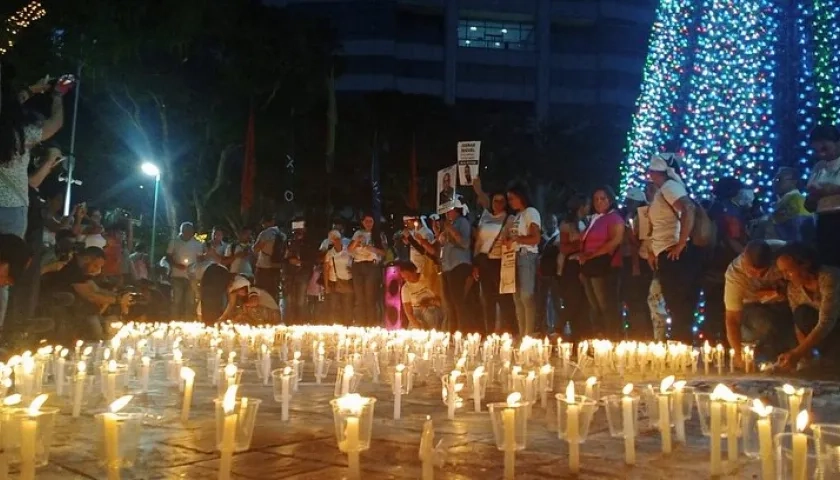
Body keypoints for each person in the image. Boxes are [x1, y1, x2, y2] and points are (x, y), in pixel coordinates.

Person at [0, 64, 65, 328]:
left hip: (13, 209)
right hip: (12, 210)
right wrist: (57, 96)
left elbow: (9, 104)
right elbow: (55, 124)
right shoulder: (20, 135)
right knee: (3, 275)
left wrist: (30, 90)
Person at [646, 153, 701, 342]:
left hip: (675, 254)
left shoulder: (670, 187)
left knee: (679, 304)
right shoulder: (664, 189)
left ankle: (682, 343)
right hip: (666, 251)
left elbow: (688, 208)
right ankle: (681, 342)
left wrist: (681, 243)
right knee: (675, 304)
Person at [723, 240, 793, 366]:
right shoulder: (735, 274)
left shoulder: (785, 254)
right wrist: (738, 354)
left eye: (762, 272)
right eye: (751, 272)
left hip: (787, 302)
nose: (757, 276)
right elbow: (732, 318)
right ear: (744, 258)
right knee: (763, 323)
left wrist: (781, 292)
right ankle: (766, 358)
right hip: (752, 307)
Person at [41, 247, 133, 339]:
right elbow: (90, 296)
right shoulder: (72, 268)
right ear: (86, 259)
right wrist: (118, 300)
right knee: (97, 333)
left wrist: (119, 296)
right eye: (95, 266)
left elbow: (96, 289)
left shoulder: (80, 268)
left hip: (77, 309)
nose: (96, 270)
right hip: (62, 307)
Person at [775, 243, 840, 369]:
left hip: (834, 325)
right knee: (802, 313)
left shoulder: (828, 278)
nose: (785, 277)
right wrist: (804, 354)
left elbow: (827, 321)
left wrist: (797, 353)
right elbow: (798, 324)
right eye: (782, 272)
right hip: (827, 330)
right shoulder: (793, 288)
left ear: (805, 264)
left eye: (788, 271)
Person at [703, 177, 750, 343]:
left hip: (713, 264)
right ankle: (725, 343)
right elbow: (730, 237)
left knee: (713, 307)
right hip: (725, 263)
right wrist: (746, 255)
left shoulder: (715, 207)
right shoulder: (729, 210)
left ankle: (713, 343)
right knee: (726, 306)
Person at [579, 186, 625, 338]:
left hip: (604, 266)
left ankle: (611, 336)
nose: (599, 202)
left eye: (602, 198)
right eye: (596, 199)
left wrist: (592, 255)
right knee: (594, 305)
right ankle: (599, 335)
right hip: (590, 265)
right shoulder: (595, 218)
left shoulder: (614, 218)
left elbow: (615, 241)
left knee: (606, 304)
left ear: (610, 200)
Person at [472, 177, 515, 333]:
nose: (498, 204)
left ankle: (509, 331)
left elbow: (512, 239)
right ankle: (490, 331)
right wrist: (475, 264)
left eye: (502, 201)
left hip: (500, 262)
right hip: (484, 262)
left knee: (503, 299)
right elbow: (478, 242)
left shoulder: (509, 219)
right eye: (495, 201)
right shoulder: (485, 216)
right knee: (487, 299)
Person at [505, 183, 541, 337]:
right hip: (514, 256)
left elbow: (535, 238)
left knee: (526, 296)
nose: (510, 202)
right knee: (517, 298)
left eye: (512, 198)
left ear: (521, 197)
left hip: (526, 255)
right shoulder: (517, 216)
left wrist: (517, 239)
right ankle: (522, 333)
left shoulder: (531, 212)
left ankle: (529, 334)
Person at [622, 186, 654, 339]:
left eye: (630, 202)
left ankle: (642, 334)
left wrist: (629, 235)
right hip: (632, 261)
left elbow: (641, 241)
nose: (627, 205)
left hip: (641, 262)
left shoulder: (644, 215)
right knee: (633, 300)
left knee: (639, 299)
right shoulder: (632, 216)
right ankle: (637, 332)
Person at [806, 125, 840, 267]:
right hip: (823, 222)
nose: (821, 154)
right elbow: (809, 205)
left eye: (825, 148)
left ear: (837, 142)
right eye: (816, 151)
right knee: (827, 266)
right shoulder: (818, 167)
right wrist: (812, 198)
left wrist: (830, 190)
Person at [558, 193, 591, 341]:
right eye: (587, 205)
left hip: (585, 263)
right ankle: (559, 329)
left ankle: (580, 335)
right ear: (581, 206)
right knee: (573, 300)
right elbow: (563, 247)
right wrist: (581, 245)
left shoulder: (587, 221)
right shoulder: (568, 224)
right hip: (572, 264)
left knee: (583, 302)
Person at [437, 199, 473, 332]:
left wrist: (450, 229)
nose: (447, 213)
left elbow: (464, 243)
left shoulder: (462, 222)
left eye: (449, 210)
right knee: (450, 302)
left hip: (458, 265)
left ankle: (463, 330)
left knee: (458, 301)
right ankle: (453, 331)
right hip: (447, 266)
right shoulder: (450, 225)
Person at [349, 213, 387, 326]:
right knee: (359, 297)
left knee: (370, 296)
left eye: (371, 221)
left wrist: (373, 249)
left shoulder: (379, 234)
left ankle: (371, 323)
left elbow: (384, 252)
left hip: (371, 266)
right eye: (366, 221)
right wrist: (356, 241)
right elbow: (349, 249)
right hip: (358, 265)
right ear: (362, 222)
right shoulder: (358, 233)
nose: (368, 223)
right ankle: (361, 322)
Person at [166, 222, 205, 320]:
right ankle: (174, 320)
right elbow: (168, 256)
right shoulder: (174, 242)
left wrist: (195, 268)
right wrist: (177, 265)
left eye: (190, 231)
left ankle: (188, 321)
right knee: (176, 301)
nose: (188, 233)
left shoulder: (197, 244)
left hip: (192, 277)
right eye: (186, 231)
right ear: (181, 231)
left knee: (190, 301)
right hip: (176, 276)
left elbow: (200, 259)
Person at [284, 219, 316, 324]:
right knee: (289, 300)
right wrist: (287, 259)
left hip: (303, 273)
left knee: (300, 300)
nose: (297, 233)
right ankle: (289, 323)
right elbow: (282, 257)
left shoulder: (309, 243)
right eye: (295, 231)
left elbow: (312, 259)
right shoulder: (288, 242)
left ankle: (300, 322)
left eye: (299, 230)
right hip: (290, 274)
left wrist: (300, 262)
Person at [769, 167, 813, 243]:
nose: (775, 182)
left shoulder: (797, 200)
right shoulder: (782, 202)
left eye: (779, 179)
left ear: (793, 182)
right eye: (774, 179)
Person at [397, 260, 443, 329]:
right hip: (416, 310)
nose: (407, 279)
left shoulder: (426, 277)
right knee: (413, 330)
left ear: (414, 271)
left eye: (409, 276)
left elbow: (439, 297)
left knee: (430, 315)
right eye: (404, 278)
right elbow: (408, 312)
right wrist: (416, 324)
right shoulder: (405, 288)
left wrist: (429, 302)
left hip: (432, 307)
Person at [537, 213, 562, 335]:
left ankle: (558, 327)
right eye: (548, 222)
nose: (551, 225)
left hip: (555, 273)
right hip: (543, 273)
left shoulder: (559, 238)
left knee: (556, 301)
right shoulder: (541, 239)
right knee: (543, 302)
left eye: (553, 222)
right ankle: (544, 327)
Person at [323, 229, 353, 325]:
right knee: (333, 306)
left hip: (347, 281)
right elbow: (326, 270)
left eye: (338, 238)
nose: (336, 241)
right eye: (334, 239)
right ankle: (333, 325)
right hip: (333, 282)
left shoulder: (348, 250)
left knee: (347, 306)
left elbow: (354, 262)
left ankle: (347, 324)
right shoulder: (329, 254)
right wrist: (326, 286)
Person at [253, 214, 284, 302]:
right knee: (274, 292)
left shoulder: (265, 233)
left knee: (260, 291)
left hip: (263, 267)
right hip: (277, 267)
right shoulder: (282, 234)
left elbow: (255, 249)